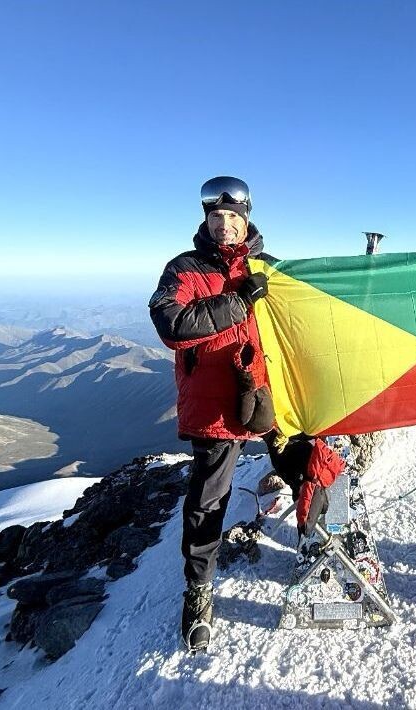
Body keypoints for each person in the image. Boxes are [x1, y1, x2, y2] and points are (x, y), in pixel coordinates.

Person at [149, 176, 274, 652]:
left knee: (304, 464)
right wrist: (238, 301)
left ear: (247, 220)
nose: (224, 225)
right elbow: (172, 323)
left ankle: (314, 544)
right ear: (205, 219)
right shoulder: (183, 269)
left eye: (233, 217)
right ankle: (199, 589)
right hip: (215, 403)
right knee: (208, 498)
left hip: (269, 392)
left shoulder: (269, 269)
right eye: (216, 217)